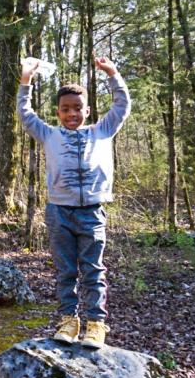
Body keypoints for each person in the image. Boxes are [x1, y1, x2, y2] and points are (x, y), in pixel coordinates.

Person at [18, 57, 131, 349]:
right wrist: (26, 81)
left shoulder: (101, 131)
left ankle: (96, 324)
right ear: (58, 112)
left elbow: (121, 107)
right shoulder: (49, 134)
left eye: (78, 109)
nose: (72, 114)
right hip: (59, 212)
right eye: (66, 109)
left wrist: (112, 74)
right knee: (66, 270)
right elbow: (26, 114)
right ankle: (69, 320)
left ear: (87, 111)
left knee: (93, 270)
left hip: (92, 212)